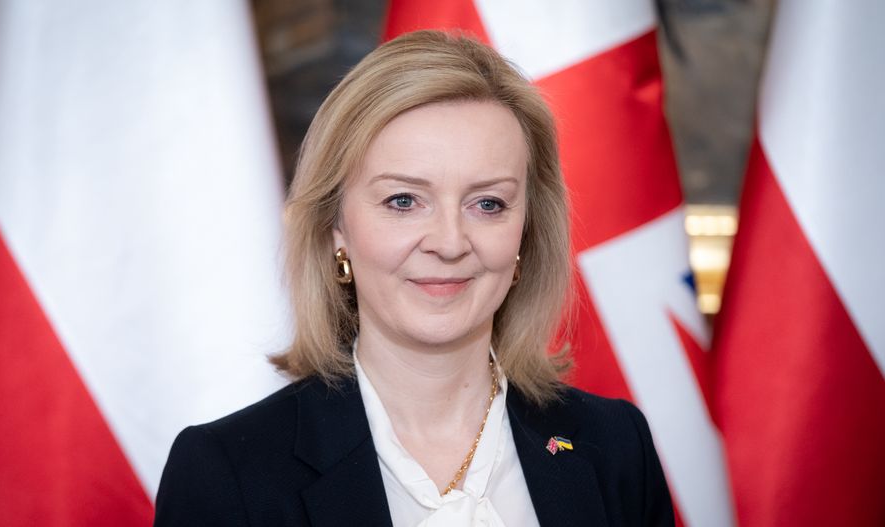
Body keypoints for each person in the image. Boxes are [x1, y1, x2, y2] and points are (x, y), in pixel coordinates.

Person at [154, 30, 674, 527]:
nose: (449, 243)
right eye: (403, 201)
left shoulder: (615, 446)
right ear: (337, 229)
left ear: (526, 233)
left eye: (488, 203)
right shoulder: (227, 472)